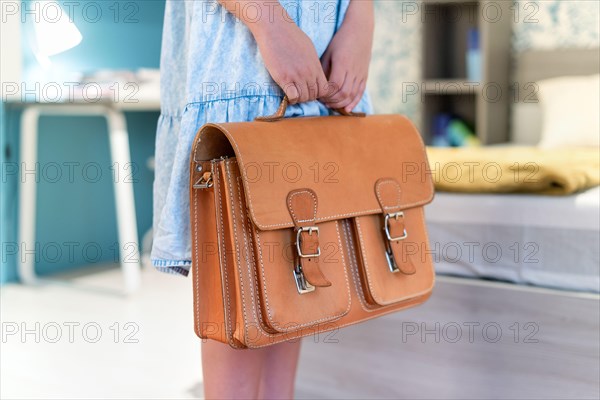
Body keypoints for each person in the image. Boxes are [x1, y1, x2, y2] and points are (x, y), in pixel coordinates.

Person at [151, 0, 374, 398]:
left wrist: (360, 20)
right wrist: (268, 20)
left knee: (291, 285)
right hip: (241, 59)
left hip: (321, 57)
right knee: (240, 296)